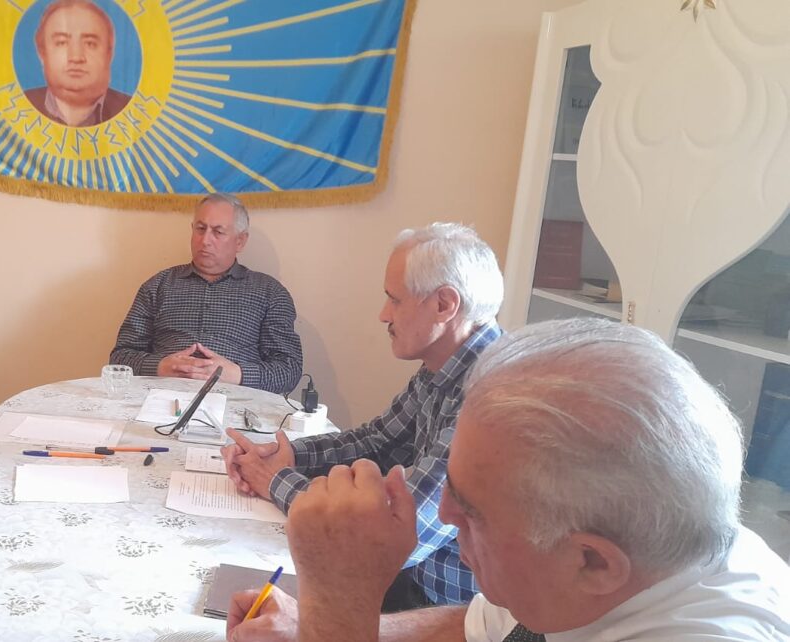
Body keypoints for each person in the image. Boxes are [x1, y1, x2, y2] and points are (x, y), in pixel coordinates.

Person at [227, 318, 790, 641]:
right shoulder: (601, 564)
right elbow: (477, 628)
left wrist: (336, 609)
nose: (442, 514)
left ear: (593, 562)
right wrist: (310, 625)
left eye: (472, 510)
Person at [223, 222, 503, 609]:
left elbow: (393, 537)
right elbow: (379, 440)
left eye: (395, 300)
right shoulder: (445, 364)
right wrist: (289, 455)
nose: (383, 315)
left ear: (444, 305)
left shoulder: (490, 398)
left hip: (447, 612)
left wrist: (273, 480)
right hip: (410, 585)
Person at [109, 193, 303, 395]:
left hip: (235, 404)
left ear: (240, 241)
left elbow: (289, 370)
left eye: (218, 232)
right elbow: (120, 358)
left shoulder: (270, 293)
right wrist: (159, 367)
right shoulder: (158, 285)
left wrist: (237, 374)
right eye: (200, 229)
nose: (205, 240)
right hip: (161, 398)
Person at [23, 0, 131, 127]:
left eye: (90, 44)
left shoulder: (133, 113)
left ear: (109, 54)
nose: (76, 57)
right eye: (62, 42)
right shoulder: (18, 108)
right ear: (42, 52)